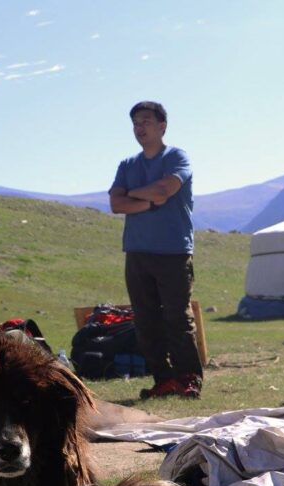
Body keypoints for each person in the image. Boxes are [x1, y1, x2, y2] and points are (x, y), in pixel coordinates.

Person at [109, 101, 203, 399]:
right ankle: (163, 379)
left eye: (146, 121)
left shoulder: (176, 157)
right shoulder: (127, 165)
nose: (140, 128)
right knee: (145, 319)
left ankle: (188, 378)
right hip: (137, 251)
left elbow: (166, 190)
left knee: (177, 316)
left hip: (173, 250)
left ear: (162, 126)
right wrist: (148, 201)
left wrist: (133, 194)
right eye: (136, 123)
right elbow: (115, 204)